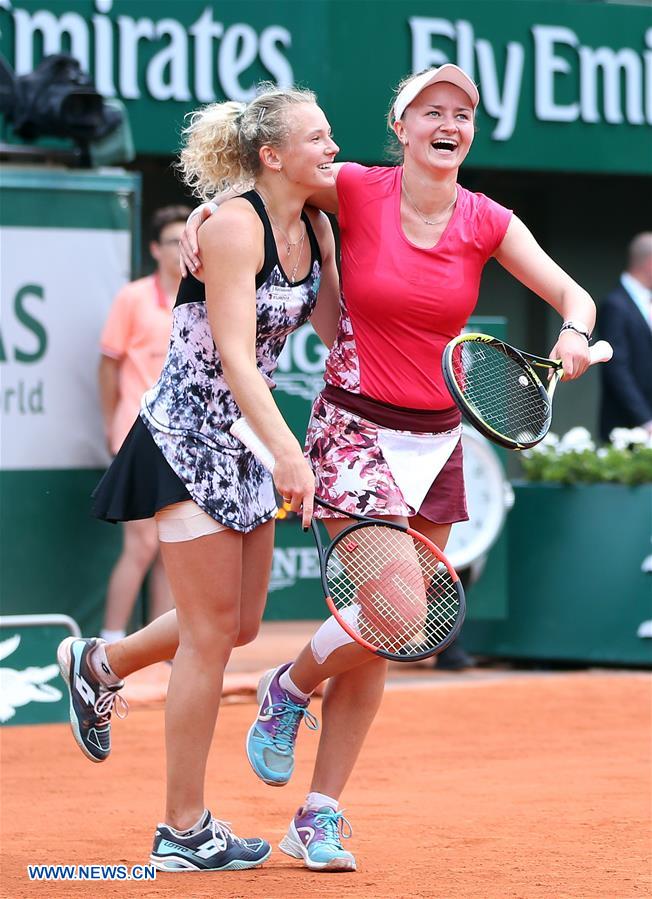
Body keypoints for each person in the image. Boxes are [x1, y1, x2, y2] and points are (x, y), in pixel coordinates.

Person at [60, 65, 597, 875]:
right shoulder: (341, 191)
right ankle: (188, 815)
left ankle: (296, 791)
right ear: (404, 124)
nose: (448, 124)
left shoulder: (374, 218)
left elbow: (335, 307)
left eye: (463, 114)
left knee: (266, 626)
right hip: (247, 432)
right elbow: (244, 302)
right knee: (289, 622)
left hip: (387, 439)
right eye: (431, 111)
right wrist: (211, 215)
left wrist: (572, 336)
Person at [57, 85, 340, 874]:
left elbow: (339, 330)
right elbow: (237, 358)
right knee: (212, 635)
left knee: (240, 623)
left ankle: (99, 664)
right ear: (272, 154)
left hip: (246, 436)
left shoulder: (315, 225)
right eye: (316, 137)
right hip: (184, 435)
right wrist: (291, 451)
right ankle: (182, 827)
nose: (331, 146)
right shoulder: (232, 227)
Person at [98, 205, 191, 644]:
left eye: (185, 240)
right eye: (172, 241)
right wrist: (110, 423)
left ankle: (158, 647)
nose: (180, 250)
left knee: (171, 550)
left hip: (185, 441)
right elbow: (108, 365)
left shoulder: (205, 293)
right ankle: (110, 641)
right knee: (142, 546)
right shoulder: (133, 298)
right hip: (135, 437)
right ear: (155, 249)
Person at [598, 232, 652, 441]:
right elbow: (617, 369)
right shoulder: (616, 305)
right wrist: (646, 420)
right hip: (627, 430)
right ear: (649, 264)